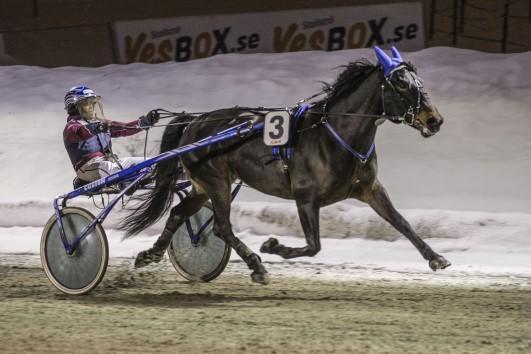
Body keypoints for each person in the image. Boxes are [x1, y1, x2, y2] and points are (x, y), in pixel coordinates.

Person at [63, 85, 159, 183]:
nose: (91, 106)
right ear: (73, 107)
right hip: (86, 168)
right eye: (86, 103)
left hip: (110, 162)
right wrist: (95, 128)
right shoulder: (71, 127)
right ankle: (126, 181)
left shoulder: (98, 122)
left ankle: (144, 178)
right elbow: (78, 133)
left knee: (152, 162)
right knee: (107, 167)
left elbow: (124, 128)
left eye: (92, 103)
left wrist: (145, 122)